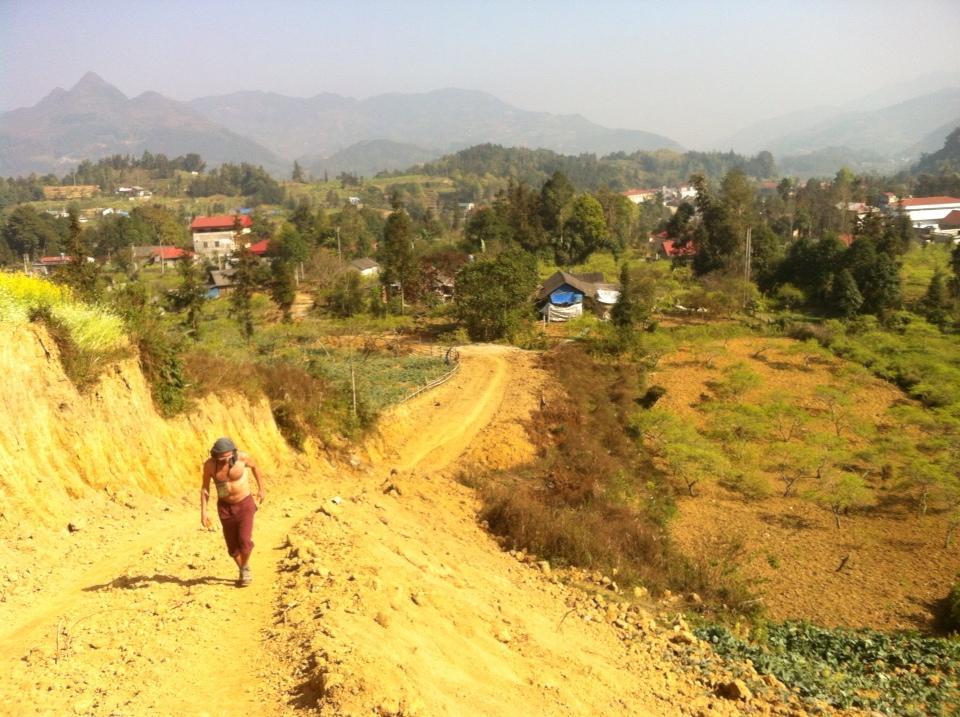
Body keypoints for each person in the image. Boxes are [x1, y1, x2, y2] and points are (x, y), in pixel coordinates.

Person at [200, 437, 266, 587]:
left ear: (234, 453)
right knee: (232, 546)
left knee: (244, 541)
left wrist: (261, 489)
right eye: (221, 458)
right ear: (215, 456)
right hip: (225, 507)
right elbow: (205, 488)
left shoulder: (243, 458)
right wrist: (204, 512)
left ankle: (244, 568)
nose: (225, 461)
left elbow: (255, 467)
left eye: (228, 457)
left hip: (245, 504)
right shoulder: (210, 466)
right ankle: (243, 568)